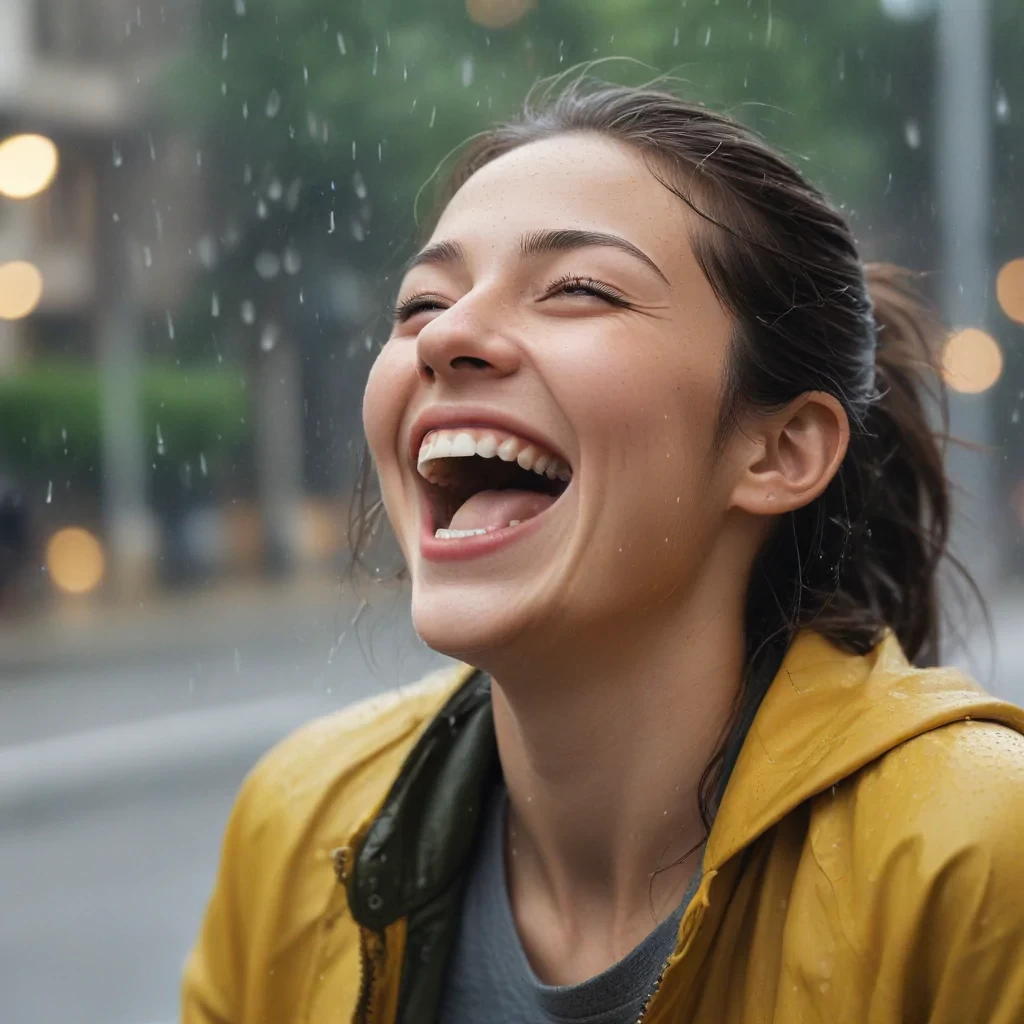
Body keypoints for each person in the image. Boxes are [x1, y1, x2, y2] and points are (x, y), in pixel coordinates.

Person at [182, 78, 1024, 1024]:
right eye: (420, 303)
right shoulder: (295, 829)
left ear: (782, 450)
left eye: (579, 289)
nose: (447, 335)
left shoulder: (982, 853)